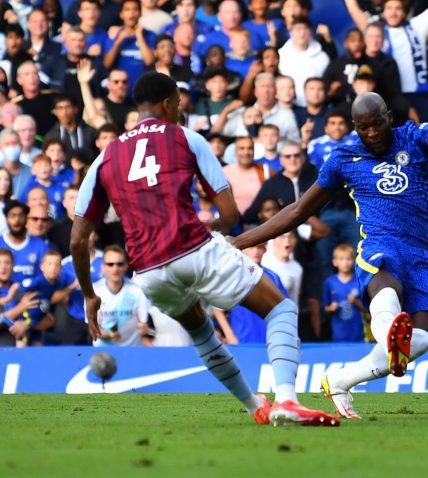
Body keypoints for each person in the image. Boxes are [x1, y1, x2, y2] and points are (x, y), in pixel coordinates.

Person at [71, 71, 337, 427]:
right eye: (178, 103)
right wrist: (213, 225)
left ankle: (254, 406)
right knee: (281, 309)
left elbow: (77, 239)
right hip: (193, 249)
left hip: (148, 271)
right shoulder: (186, 138)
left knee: (200, 334)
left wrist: (90, 295)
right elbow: (229, 215)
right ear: (167, 103)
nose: (179, 110)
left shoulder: (105, 157)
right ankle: (287, 399)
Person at [231, 92, 428, 418]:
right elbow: (298, 211)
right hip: (379, 245)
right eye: (364, 127)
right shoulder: (344, 159)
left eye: (377, 123)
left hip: (421, 255)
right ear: (355, 127)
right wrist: (240, 241)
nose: (372, 132)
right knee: (387, 291)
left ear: (389, 118)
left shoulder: (412, 137)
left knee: (423, 338)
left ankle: (341, 380)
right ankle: (390, 333)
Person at [323, 243, 365, 343]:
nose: (345, 263)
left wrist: (356, 302)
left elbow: (368, 309)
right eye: (341, 259)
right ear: (335, 262)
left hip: (358, 336)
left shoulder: (359, 281)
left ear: (354, 261)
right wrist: (331, 308)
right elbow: (325, 309)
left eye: (348, 259)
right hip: (338, 336)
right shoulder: (330, 282)